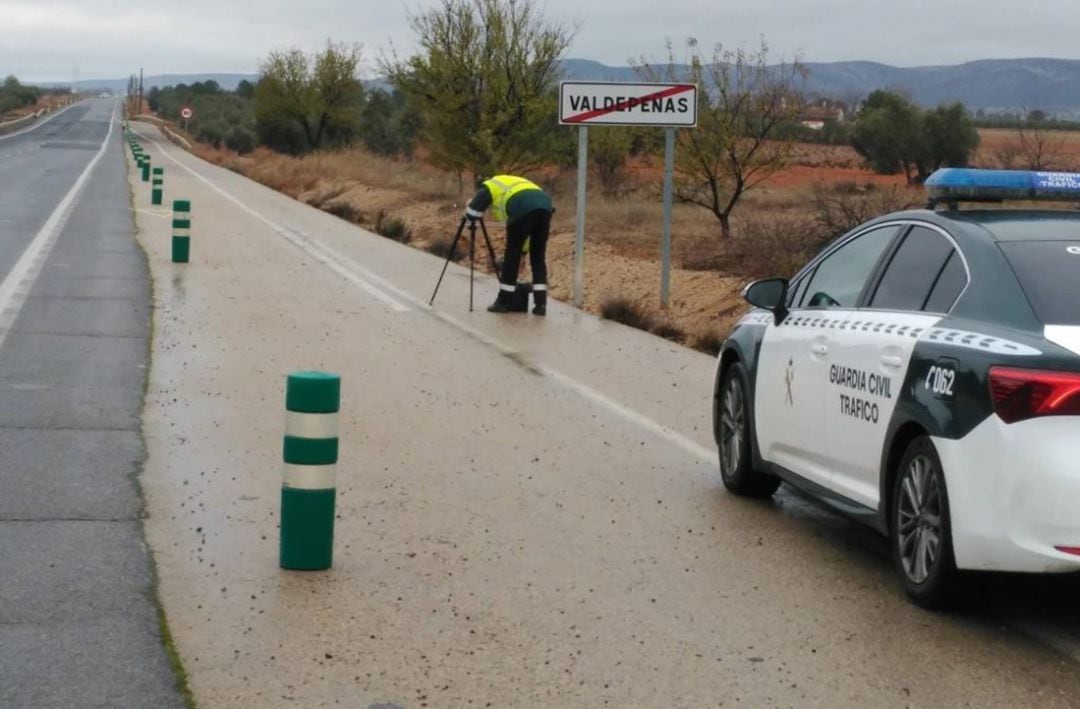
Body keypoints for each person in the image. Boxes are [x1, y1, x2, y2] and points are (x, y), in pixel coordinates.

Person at [464, 174, 554, 315]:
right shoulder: (515, 182)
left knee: (512, 255)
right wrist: (524, 253)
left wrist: (469, 206)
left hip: (523, 206)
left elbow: (472, 213)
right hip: (545, 206)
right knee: (538, 257)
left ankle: (504, 302)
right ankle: (540, 305)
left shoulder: (490, 186)